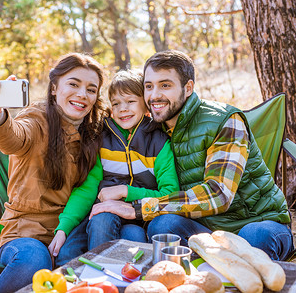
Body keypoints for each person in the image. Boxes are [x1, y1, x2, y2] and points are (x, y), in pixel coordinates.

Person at [92, 50, 293, 261]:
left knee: (254, 237)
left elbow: (218, 195)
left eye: (165, 85)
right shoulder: (154, 129)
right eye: (149, 86)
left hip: (254, 222)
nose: (154, 95)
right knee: (162, 226)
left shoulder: (225, 121)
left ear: (188, 88)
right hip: (204, 229)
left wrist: (139, 209)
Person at [0, 53, 106, 293]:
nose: (82, 95)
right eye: (73, 84)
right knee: (35, 263)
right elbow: (12, 139)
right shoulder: (37, 118)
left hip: (73, 231)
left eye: (91, 89)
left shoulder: (95, 130)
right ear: (54, 87)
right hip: (26, 232)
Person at [49, 70, 180, 266]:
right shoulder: (103, 140)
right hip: (101, 214)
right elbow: (87, 188)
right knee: (67, 251)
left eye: (130, 101)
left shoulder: (159, 142)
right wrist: (63, 228)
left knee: (132, 233)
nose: (122, 109)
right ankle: (88, 282)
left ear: (145, 104)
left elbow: (170, 193)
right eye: (116, 103)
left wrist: (125, 191)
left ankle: (112, 279)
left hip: (140, 215)